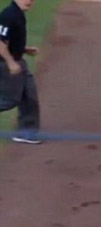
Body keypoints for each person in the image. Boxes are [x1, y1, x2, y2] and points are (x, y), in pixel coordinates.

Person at [0, 0, 41, 144]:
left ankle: (26, 132)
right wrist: (11, 63)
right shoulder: (8, 15)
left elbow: (12, 41)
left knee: (29, 95)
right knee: (8, 100)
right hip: (5, 64)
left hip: (18, 61)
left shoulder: (19, 14)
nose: (29, 1)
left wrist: (24, 49)